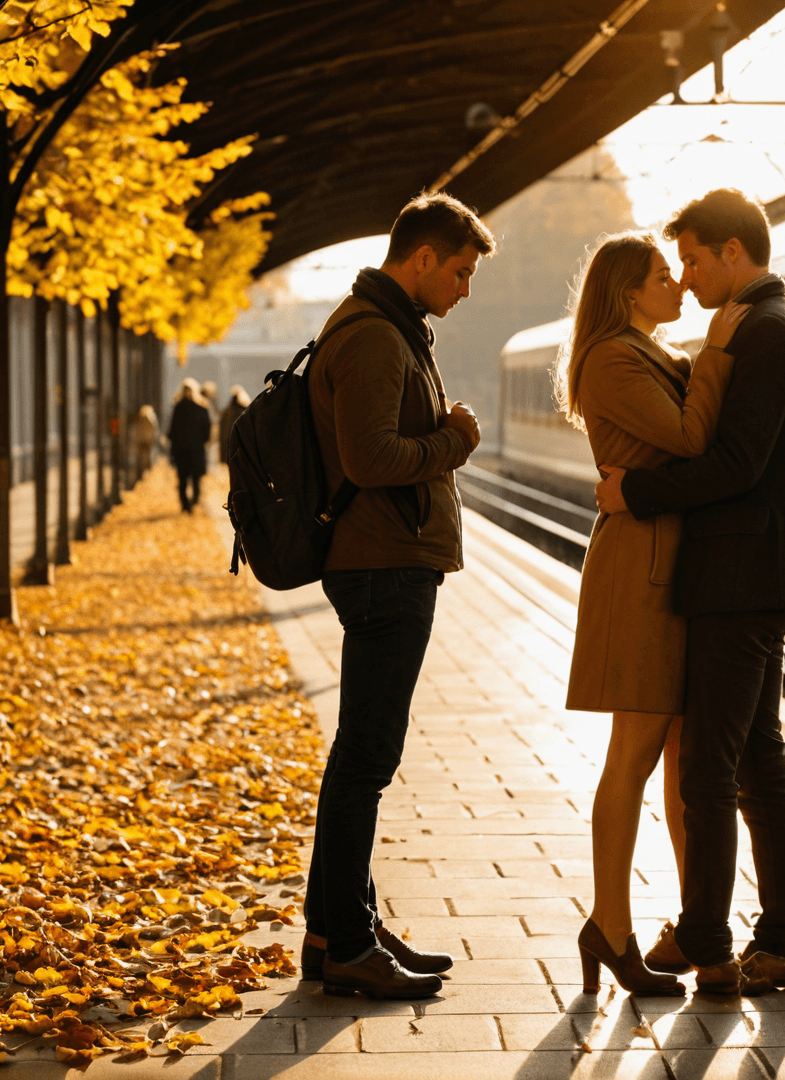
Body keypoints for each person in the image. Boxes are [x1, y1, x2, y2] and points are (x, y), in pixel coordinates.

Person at [595, 189, 785, 995]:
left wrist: (640, 492)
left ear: (734, 253)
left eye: (695, 259)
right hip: (753, 569)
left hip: (741, 574)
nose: (690, 276)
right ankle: (783, 941)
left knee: (710, 763)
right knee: (759, 761)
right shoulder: (765, 326)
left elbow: (733, 463)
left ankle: (712, 934)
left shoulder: (765, 333)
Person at [301, 192, 492, 999]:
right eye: (459, 270)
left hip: (389, 559)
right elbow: (373, 456)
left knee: (365, 753)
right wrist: (455, 440)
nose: (464, 287)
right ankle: (345, 943)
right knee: (366, 755)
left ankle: (339, 924)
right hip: (383, 565)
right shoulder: (377, 337)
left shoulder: (387, 326)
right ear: (419, 258)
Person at [558, 233, 744, 996]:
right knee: (633, 753)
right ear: (630, 291)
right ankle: (610, 926)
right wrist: (720, 353)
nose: (679, 284)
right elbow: (690, 436)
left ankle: (689, 926)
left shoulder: (648, 355)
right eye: (665, 276)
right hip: (641, 568)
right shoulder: (612, 358)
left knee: (673, 756)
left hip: (667, 562)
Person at [168, 380, 211, 513]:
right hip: (196, 449)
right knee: (196, 477)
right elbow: (207, 429)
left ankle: (185, 504)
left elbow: (172, 431)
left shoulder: (178, 407)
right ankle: (194, 500)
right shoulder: (201, 407)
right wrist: (203, 441)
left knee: (182, 478)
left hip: (181, 450)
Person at [218, 385, 250, 464]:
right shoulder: (244, 412)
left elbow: (223, 433)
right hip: (241, 448)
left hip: (229, 447)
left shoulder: (226, 412)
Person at [130, 404, 158, 480]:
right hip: (147, 440)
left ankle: (143, 472)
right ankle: (145, 471)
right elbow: (154, 430)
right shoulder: (151, 418)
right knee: (146, 457)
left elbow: (136, 429)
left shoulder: (140, 417)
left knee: (142, 457)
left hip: (142, 440)